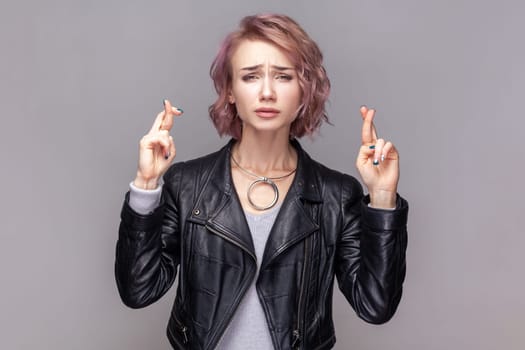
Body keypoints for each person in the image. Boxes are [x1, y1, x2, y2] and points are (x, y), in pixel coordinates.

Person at [115, 13, 408, 350]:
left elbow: (376, 306)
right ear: (229, 92)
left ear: (304, 92)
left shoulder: (336, 196)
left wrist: (383, 198)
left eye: (283, 77)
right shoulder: (187, 185)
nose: (267, 92)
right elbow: (138, 291)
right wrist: (146, 185)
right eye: (251, 76)